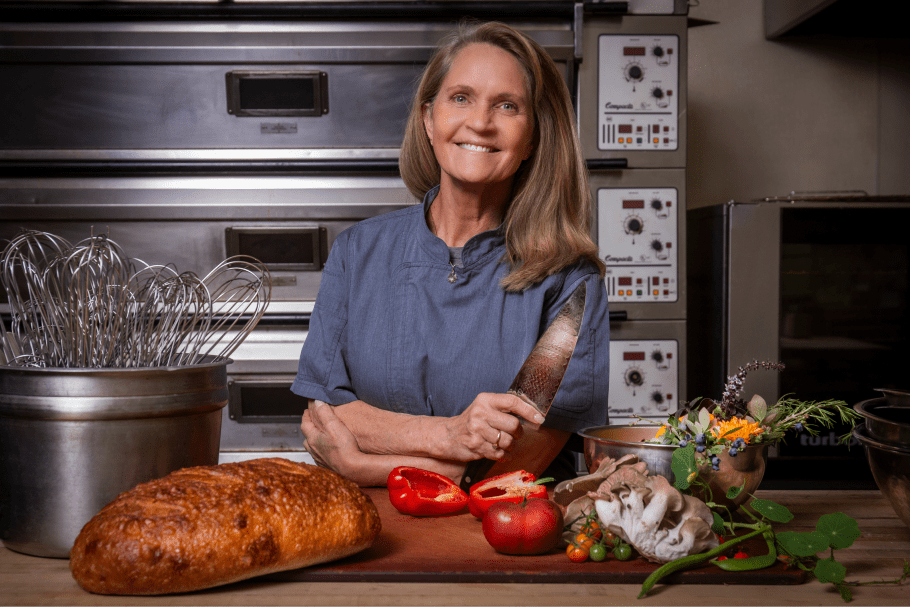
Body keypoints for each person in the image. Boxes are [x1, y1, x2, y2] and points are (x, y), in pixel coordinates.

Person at [294, 21, 610, 487]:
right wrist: (450, 436)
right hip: (369, 535)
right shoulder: (357, 252)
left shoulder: (569, 282)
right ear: (429, 118)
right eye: (460, 97)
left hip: (501, 537)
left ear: (534, 139)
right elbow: (327, 414)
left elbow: (515, 465)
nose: (479, 122)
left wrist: (363, 465)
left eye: (507, 106)